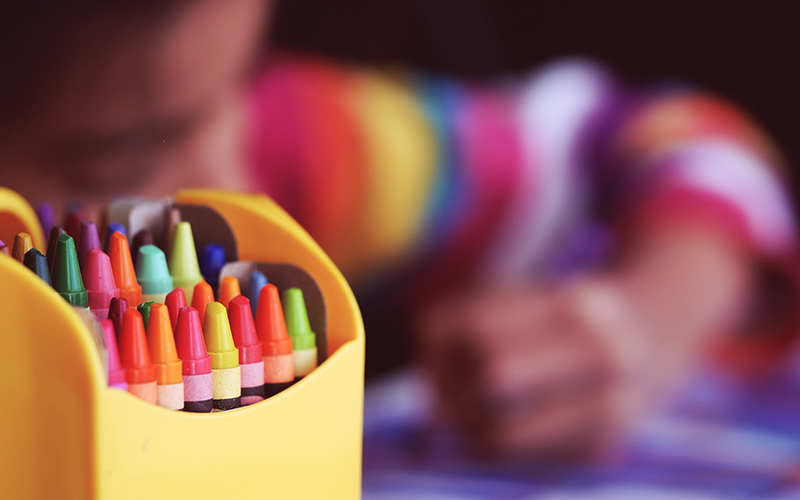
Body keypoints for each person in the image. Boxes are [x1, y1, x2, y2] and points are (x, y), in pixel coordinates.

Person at [0, 0, 797, 460]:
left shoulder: (295, 146)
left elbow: (668, 140)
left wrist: (647, 318)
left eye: (242, 79)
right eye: (116, 161)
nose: (231, 181)